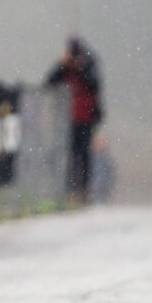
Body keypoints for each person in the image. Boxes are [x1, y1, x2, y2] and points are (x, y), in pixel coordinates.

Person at [45, 37, 104, 204]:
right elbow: (49, 82)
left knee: (83, 155)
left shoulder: (89, 65)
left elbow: (94, 84)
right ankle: (68, 190)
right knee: (68, 154)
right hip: (67, 120)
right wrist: (61, 64)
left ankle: (83, 191)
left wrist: (81, 67)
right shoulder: (65, 68)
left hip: (86, 119)